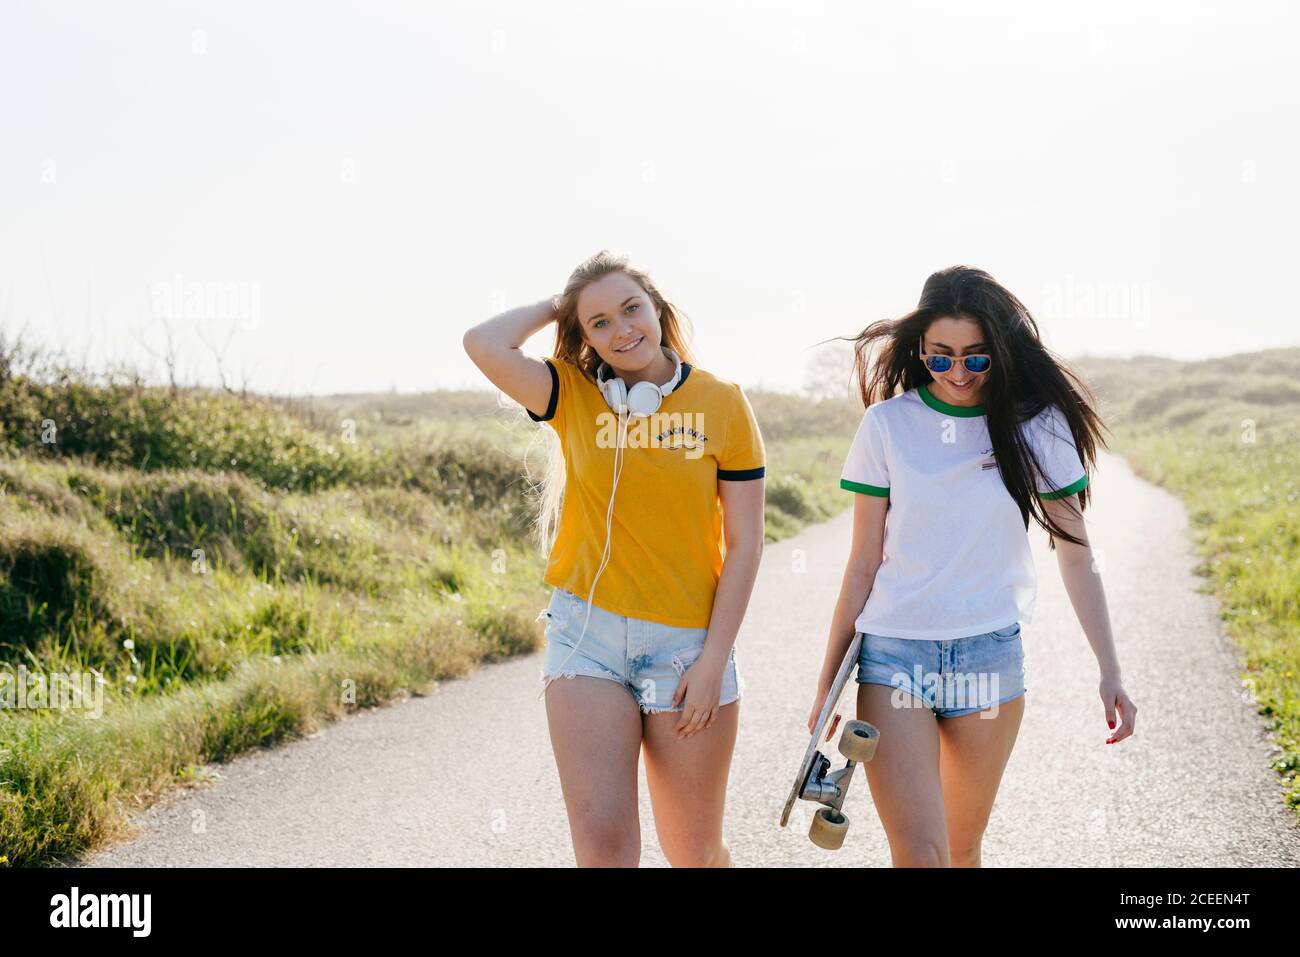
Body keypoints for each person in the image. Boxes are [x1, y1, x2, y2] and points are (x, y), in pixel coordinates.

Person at [812, 264, 1137, 867]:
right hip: (894, 660)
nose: (958, 374)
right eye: (941, 357)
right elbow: (862, 564)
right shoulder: (887, 425)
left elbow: (1075, 552)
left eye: (977, 358)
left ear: (1002, 353)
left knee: (962, 848)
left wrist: (1109, 668)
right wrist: (829, 686)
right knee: (920, 853)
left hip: (990, 658)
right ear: (920, 350)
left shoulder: (1038, 426)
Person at [462, 250, 766, 867]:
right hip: (585, 639)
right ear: (583, 336)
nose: (622, 329)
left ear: (658, 310)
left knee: (695, 852)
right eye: (598, 322)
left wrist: (713, 660)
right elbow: (483, 343)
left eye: (632, 309)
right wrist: (561, 303)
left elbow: (746, 543)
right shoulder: (570, 392)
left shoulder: (723, 404)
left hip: (686, 645)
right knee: (602, 846)